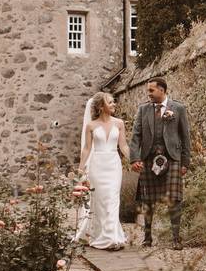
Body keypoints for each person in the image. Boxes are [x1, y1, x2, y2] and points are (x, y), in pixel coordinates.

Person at [129, 77, 191, 249]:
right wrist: (134, 158)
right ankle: (147, 238)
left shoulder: (178, 108)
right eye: (148, 90)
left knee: (175, 198)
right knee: (147, 199)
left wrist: (185, 162)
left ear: (162, 90)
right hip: (148, 159)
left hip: (172, 159)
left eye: (151, 90)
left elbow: (186, 137)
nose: (148, 94)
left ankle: (176, 239)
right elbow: (136, 136)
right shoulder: (143, 109)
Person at [75, 91, 129, 250]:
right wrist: (80, 169)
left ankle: (112, 238)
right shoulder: (91, 126)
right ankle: (100, 236)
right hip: (97, 165)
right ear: (100, 106)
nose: (114, 104)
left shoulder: (119, 123)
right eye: (110, 102)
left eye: (113, 101)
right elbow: (86, 149)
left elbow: (123, 146)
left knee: (112, 200)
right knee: (99, 202)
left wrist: (135, 159)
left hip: (113, 165)